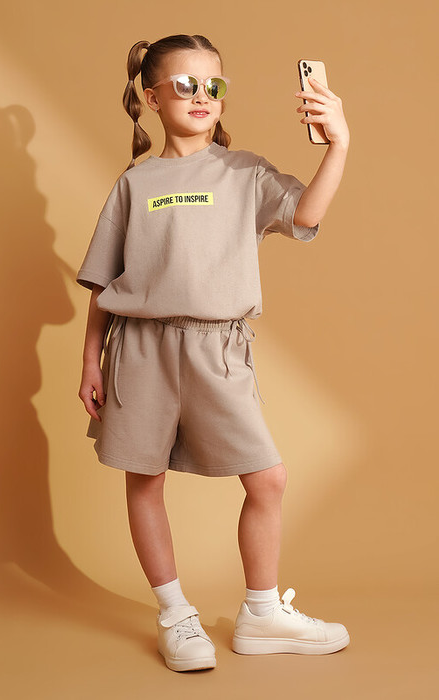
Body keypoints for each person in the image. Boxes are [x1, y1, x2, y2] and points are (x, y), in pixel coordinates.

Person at [77, 34, 351, 672]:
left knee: (267, 478)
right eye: (184, 84)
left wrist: (338, 143)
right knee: (144, 476)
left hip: (218, 348)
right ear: (152, 98)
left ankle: (261, 613)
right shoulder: (136, 182)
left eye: (213, 86)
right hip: (139, 348)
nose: (201, 96)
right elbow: (102, 281)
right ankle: (176, 615)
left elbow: (306, 214)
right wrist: (90, 359)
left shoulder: (244, 172)